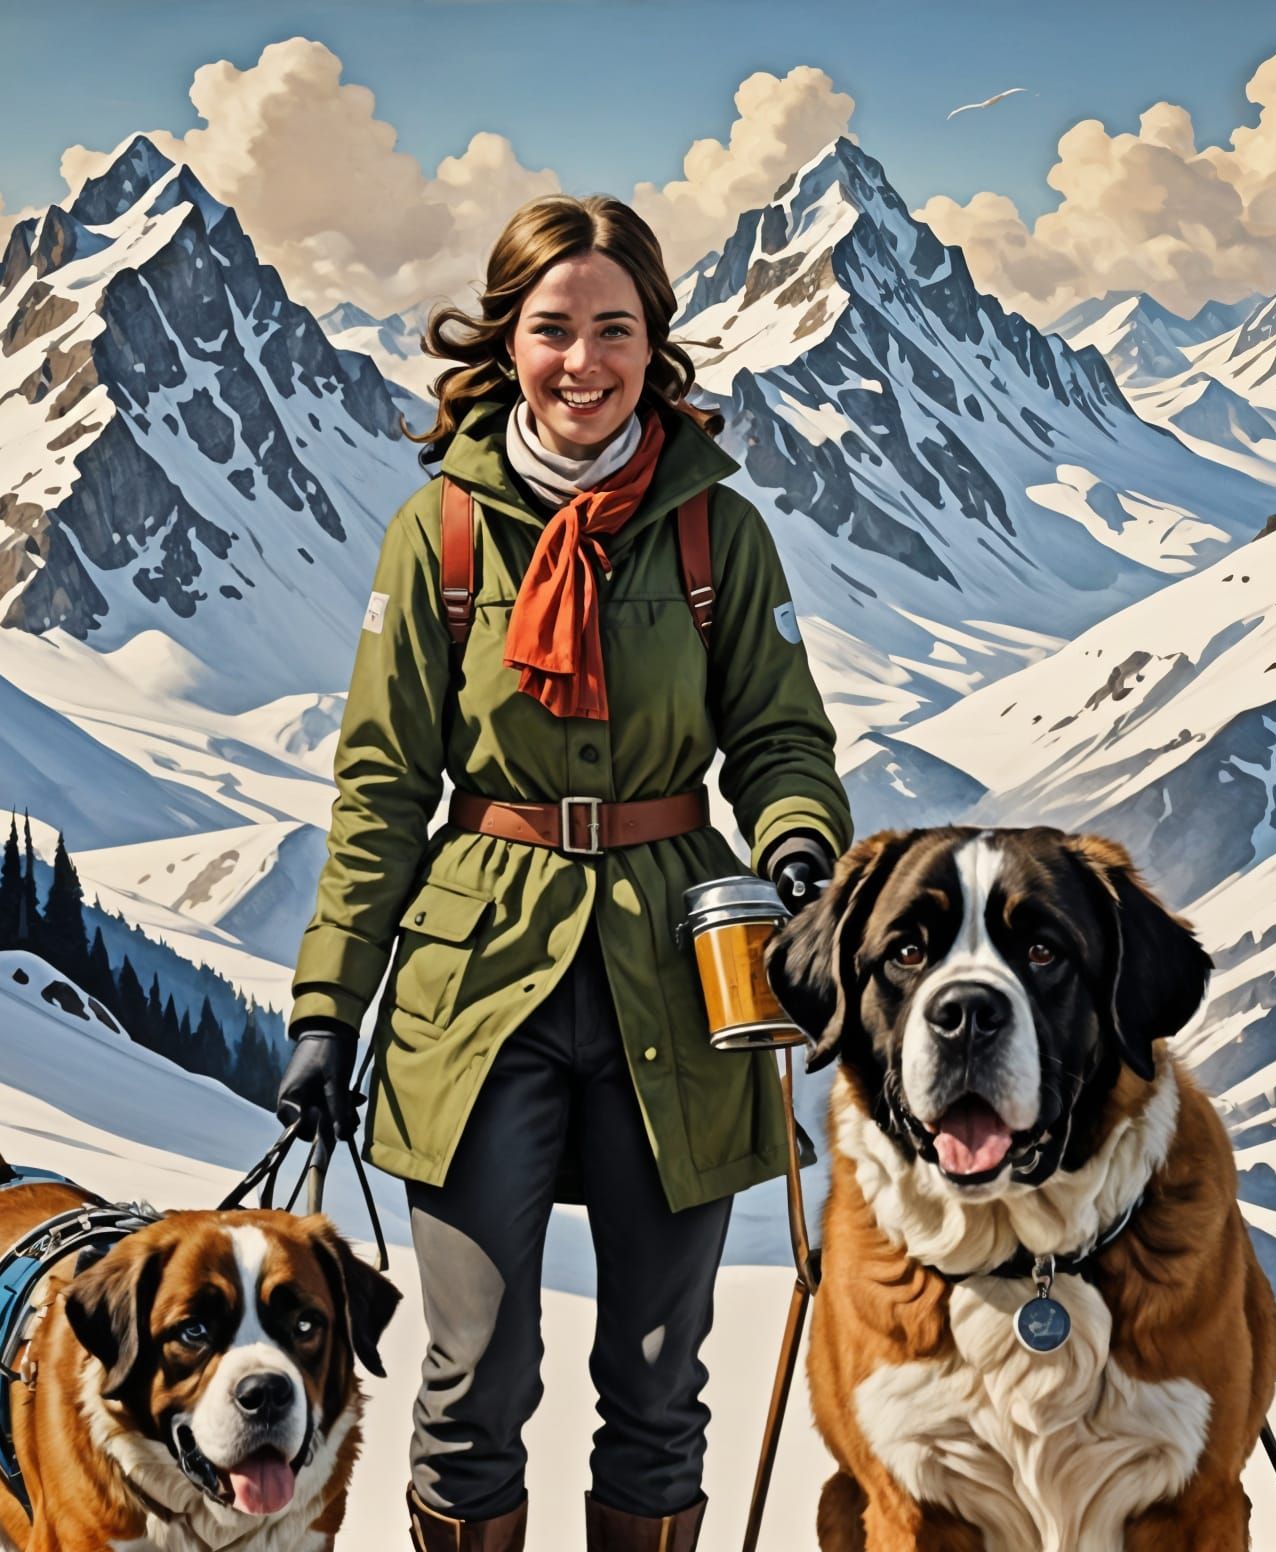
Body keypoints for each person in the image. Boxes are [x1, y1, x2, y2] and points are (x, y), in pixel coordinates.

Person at [276, 193, 852, 1552]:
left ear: (656, 341)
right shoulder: (443, 536)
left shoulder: (718, 534)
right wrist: (324, 1013)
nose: (583, 361)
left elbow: (778, 738)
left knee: (658, 1386)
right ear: (504, 343)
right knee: (475, 1379)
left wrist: (799, 841)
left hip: (683, 964)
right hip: (477, 985)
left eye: (615, 328)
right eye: (552, 329)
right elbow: (381, 791)